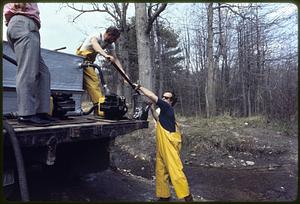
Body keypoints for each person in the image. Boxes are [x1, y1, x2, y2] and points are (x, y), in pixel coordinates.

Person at [134, 84, 193, 202]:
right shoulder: (164, 112)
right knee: (161, 171)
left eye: (168, 98)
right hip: (162, 145)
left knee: (175, 170)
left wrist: (139, 87)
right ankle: (164, 196)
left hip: (169, 145)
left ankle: (187, 197)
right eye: (164, 97)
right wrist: (151, 108)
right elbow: (157, 119)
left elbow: (151, 95)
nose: (166, 99)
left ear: (172, 101)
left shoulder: (167, 108)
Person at [4, 3, 53, 125]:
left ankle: (41, 112)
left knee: (43, 73)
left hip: (22, 25)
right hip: (24, 24)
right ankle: (26, 114)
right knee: (28, 71)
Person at [76, 26, 128, 115]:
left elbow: (115, 58)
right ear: (108, 34)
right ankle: (99, 108)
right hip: (81, 59)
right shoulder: (96, 36)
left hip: (90, 62)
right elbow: (95, 45)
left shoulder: (110, 44)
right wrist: (105, 55)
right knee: (94, 82)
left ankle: (79, 107)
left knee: (83, 86)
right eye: (113, 38)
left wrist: (123, 73)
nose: (113, 41)